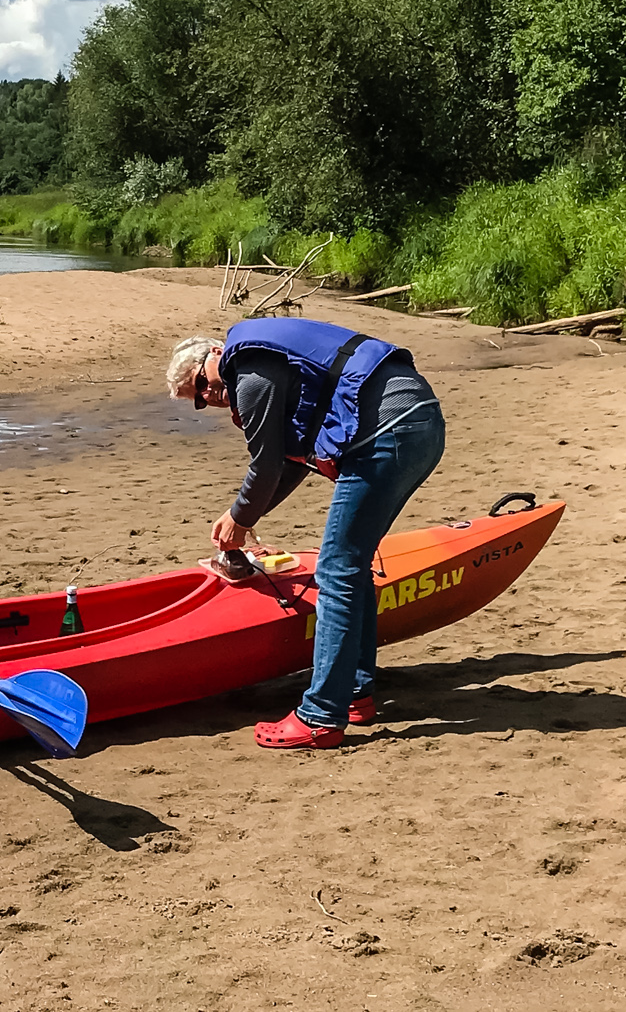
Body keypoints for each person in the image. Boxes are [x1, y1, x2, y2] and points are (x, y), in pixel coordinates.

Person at [164, 317, 445, 749]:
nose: (208, 397)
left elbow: (266, 465)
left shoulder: (250, 372)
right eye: (198, 401)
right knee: (351, 566)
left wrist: (238, 518)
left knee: (335, 571)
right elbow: (292, 462)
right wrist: (242, 516)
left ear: (216, 355)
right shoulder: (257, 364)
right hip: (417, 421)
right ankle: (354, 693)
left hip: (387, 429)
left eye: (200, 384)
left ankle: (319, 716)